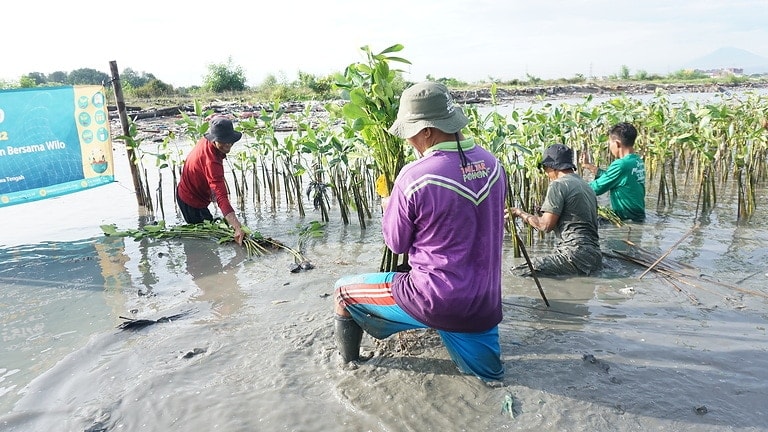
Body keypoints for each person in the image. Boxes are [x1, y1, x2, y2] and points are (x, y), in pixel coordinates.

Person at [332, 81, 507, 383]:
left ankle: (347, 368)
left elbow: (396, 242)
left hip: (433, 299)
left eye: (411, 132)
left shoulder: (414, 177)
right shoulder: (493, 165)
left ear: (427, 130)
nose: (410, 141)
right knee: (491, 380)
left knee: (342, 292)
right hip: (484, 304)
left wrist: (389, 206)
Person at [508, 144, 602, 276]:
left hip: (574, 254)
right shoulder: (586, 186)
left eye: (545, 168)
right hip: (595, 256)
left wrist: (520, 213)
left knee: (518, 272)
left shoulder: (558, 185)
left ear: (552, 166)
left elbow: (545, 226)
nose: (546, 173)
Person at [176, 116, 245, 245]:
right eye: (223, 141)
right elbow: (221, 197)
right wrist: (237, 227)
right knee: (204, 243)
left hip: (196, 194)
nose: (228, 144)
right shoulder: (212, 161)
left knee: (211, 233)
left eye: (230, 140)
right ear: (213, 140)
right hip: (189, 200)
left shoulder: (207, 141)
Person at [580, 122, 646, 222]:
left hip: (627, 220)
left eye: (610, 143)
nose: (610, 147)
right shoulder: (636, 160)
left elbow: (597, 188)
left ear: (617, 143)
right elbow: (614, 178)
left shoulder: (621, 164)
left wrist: (574, 187)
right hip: (638, 216)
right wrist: (588, 166)